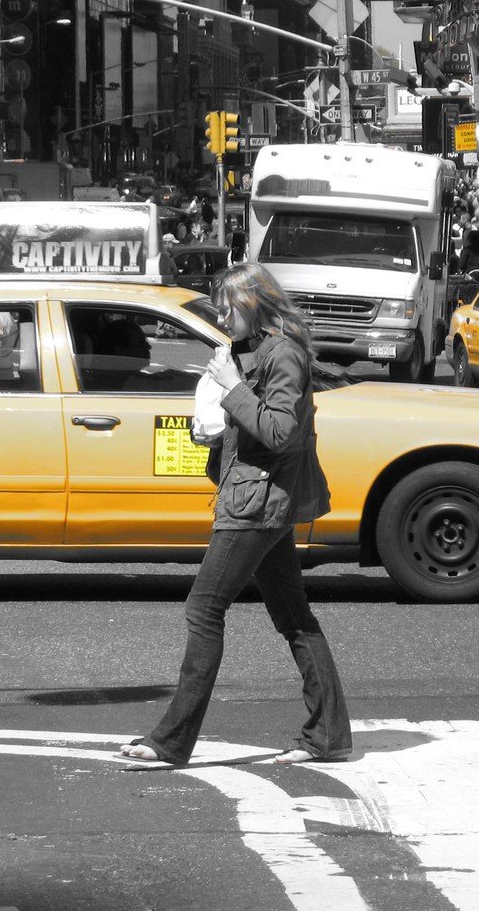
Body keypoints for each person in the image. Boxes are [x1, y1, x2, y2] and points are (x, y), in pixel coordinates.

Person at [121, 263, 349, 768]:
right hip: (258, 495)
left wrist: (232, 389)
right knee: (293, 616)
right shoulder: (248, 351)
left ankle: (171, 741)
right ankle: (329, 736)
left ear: (256, 302)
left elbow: (279, 433)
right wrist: (215, 428)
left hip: (257, 502)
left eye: (227, 305)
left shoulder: (283, 353)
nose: (221, 314)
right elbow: (248, 422)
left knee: (204, 609)